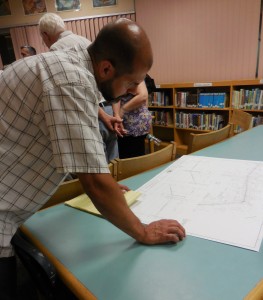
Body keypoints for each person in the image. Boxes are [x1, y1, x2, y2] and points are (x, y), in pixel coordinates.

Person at [0, 18, 186, 298]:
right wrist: (143, 231)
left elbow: (73, 148)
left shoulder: (74, 63)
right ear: (107, 68)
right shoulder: (71, 80)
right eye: (131, 82)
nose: (133, 91)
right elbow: (95, 183)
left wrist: (104, 180)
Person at [39, 12, 120, 162]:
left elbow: (76, 92)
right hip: (106, 109)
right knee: (115, 164)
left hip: (91, 113)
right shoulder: (86, 41)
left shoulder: (56, 51)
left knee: (100, 170)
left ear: (45, 34)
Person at [114, 81, 153, 158]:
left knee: (131, 156)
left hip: (133, 124)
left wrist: (122, 111)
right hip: (135, 122)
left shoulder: (131, 75)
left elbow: (143, 96)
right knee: (134, 153)